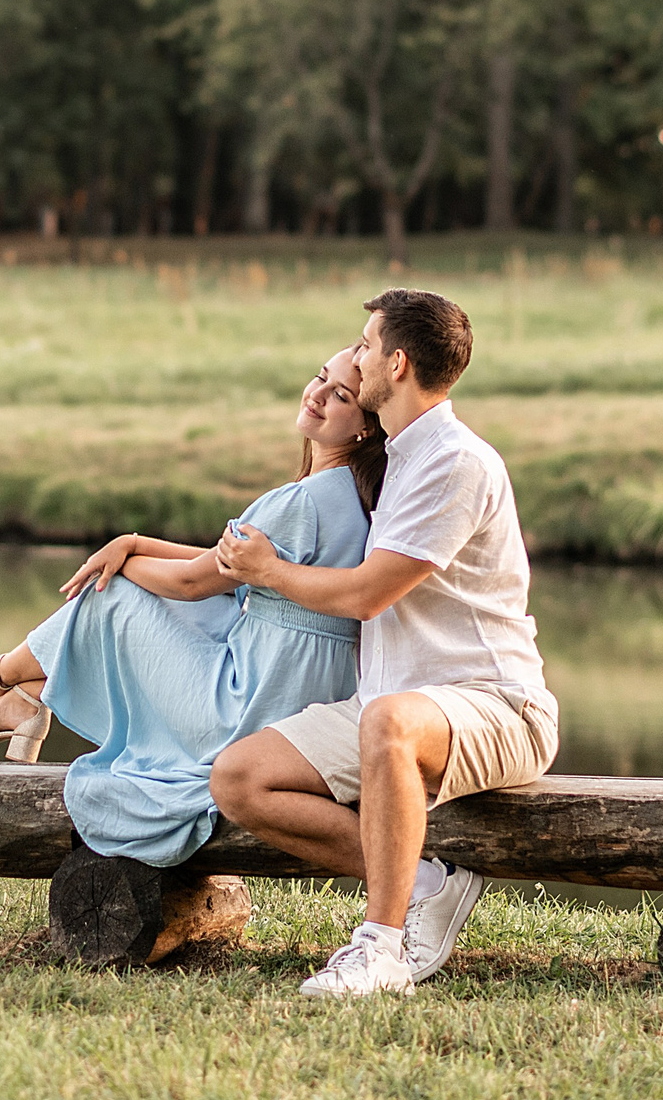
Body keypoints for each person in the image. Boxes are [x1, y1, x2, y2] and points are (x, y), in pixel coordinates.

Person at [209, 287, 558, 996]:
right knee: (238, 778)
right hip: (389, 708)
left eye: (365, 346)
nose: (356, 357)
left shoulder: (456, 462)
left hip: (496, 707)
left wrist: (271, 572)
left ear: (396, 364)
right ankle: (426, 880)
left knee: (390, 720)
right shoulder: (399, 456)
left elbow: (371, 592)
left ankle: (382, 946)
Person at [0, 347, 388, 868]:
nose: (318, 394)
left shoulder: (299, 503)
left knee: (116, 595)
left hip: (248, 712)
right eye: (321, 377)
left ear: (366, 428)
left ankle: (3, 678)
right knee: (145, 591)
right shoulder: (350, 497)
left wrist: (121, 562)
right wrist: (135, 542)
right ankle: (25, 693)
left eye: (341, 395)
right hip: (296, 694)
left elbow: (193, 582)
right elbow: (224, 567)